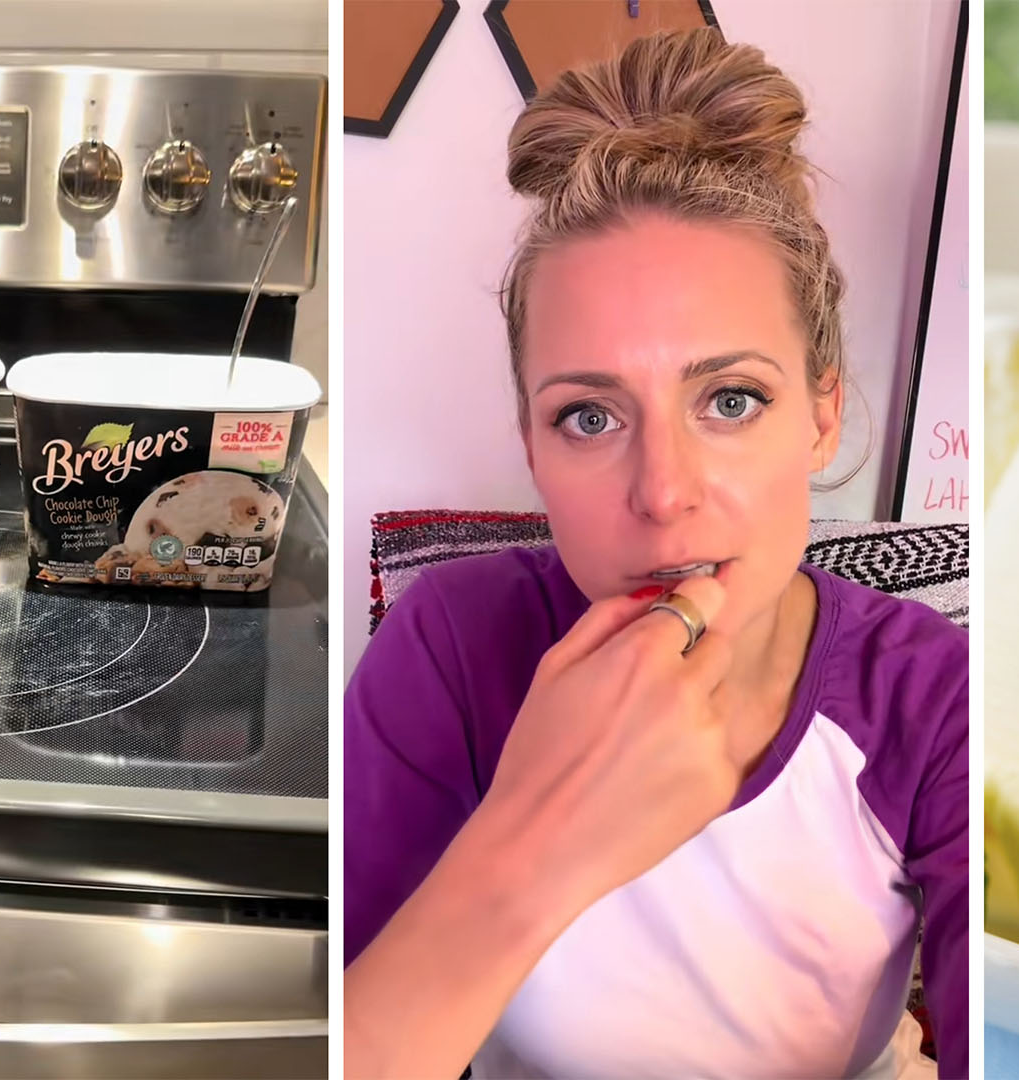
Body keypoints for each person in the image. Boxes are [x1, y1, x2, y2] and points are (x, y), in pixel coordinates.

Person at [344, 27, 969, 1079]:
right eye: (589, 416)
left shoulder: (926, 693)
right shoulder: (451, 649)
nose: (664, 494)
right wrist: (537, 842)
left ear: (820, 417)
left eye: (731, 400)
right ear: (531, 446)